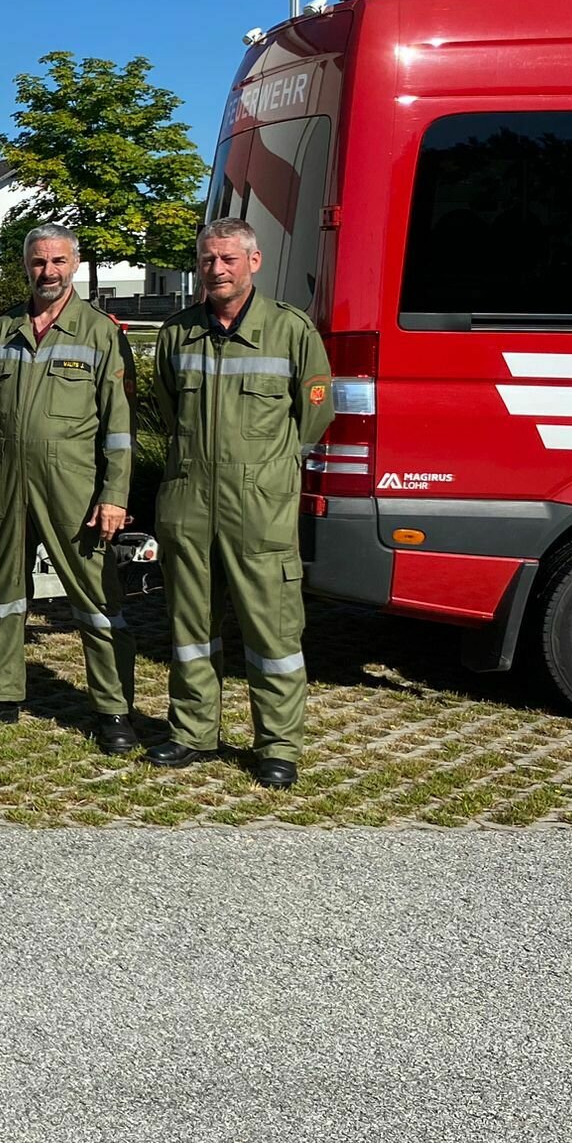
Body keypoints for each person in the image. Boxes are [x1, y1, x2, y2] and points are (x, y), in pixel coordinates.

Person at [142, 216, 333, 787]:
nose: (217, 269)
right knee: (190, 624)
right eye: (207, 259)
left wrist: (270, 470)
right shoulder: (178, 334)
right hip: (189, 498)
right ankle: (193, 733)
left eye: (228, 259)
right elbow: (168, 407)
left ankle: (277, 744)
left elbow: (315, 414)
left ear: (254, 262)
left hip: (260, 505)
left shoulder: (291, 331)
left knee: (271, 629)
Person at [0, 223, 137, 751]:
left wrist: (115, 494)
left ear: (73, 265)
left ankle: (113, 709)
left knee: (97, 597)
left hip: (75, 488)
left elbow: (120, 427)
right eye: (38, 262)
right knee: (2, 593)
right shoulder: (3, 330)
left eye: (58, 261)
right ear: (25, 266)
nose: (48, 271)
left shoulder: (101, 333)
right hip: (7, 483)